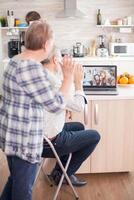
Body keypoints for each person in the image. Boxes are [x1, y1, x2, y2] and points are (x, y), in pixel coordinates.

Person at [0, 21, 76, 200]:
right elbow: (56, 104)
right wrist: (69, 77)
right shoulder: (31, 69)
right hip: (24, 140)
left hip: (11, 135)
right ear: (46, 44)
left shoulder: (14, 61)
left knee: (15, 180)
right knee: (23, 190)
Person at [41, 47, 101, 187]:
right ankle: (63, 175)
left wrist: (65, 106)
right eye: (60, 59)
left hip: (40, 136)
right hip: (48, 144)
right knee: (94, 136)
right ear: (56, 60)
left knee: (78, 127)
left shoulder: (43, 76)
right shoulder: (54, 83)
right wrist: (78, 81)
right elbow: (79, 106)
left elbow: (60, 100)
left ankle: (58, 171)